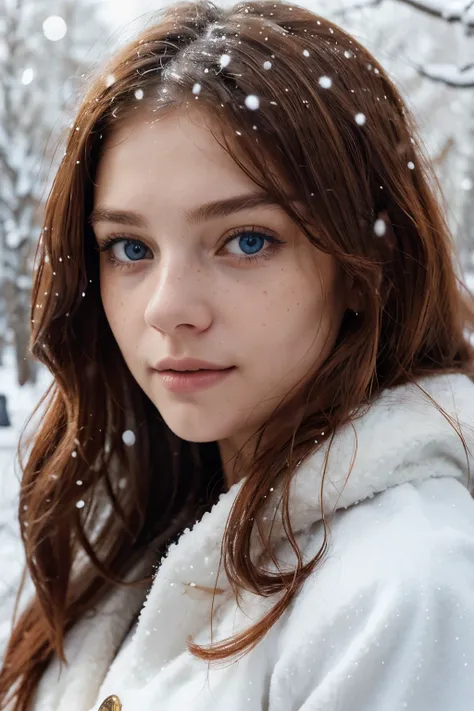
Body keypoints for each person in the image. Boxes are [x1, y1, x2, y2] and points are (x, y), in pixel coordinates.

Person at [2, 0, 474, 709]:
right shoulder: (134, 531)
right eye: (130, 248)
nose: (167, 307)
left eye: (246, 239)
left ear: (361, 264)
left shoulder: (402, 591)